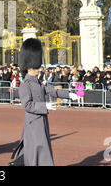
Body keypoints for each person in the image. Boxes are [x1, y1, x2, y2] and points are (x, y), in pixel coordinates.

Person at [10, 38, 78, 166]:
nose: (39, 68)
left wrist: (69, 94)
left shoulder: (38, 82)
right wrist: (44, 105)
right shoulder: (25, 85)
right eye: (37, 66)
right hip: (33, 121)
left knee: (35, 148)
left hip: (41, 120)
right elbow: (27, 105)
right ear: (30, 67)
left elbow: (53, 92)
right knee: (41, 148)